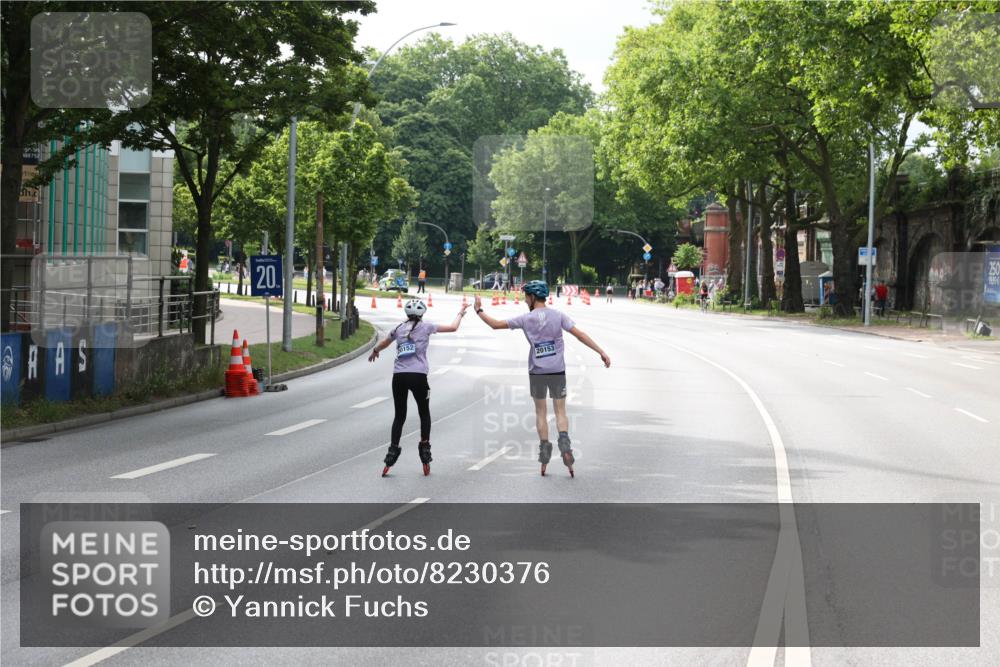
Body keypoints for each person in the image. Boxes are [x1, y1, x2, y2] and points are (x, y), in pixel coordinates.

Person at [473, 281, 610, 477]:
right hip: (557, 371)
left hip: (537, 372)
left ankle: (545, 450)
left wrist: (479, 310)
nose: (524, 300)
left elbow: (495, 325)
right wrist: (601, 352)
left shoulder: (525, 319)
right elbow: (580, 335)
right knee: (560, 411)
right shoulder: (558, 315)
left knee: (540, 413)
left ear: (532, 297)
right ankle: (565, 443)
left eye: (525, 297)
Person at [369, 298, 469, 476]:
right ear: (422, 313)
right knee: (424, 413)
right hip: (418, 376)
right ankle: (425, 448)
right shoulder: (427, 327)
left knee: (399, 416)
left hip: (399, 376)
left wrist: (375, 350)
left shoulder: (399, 328)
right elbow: (453, 327)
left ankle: (392, 451)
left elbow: (385, 342)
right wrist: (460, 313)